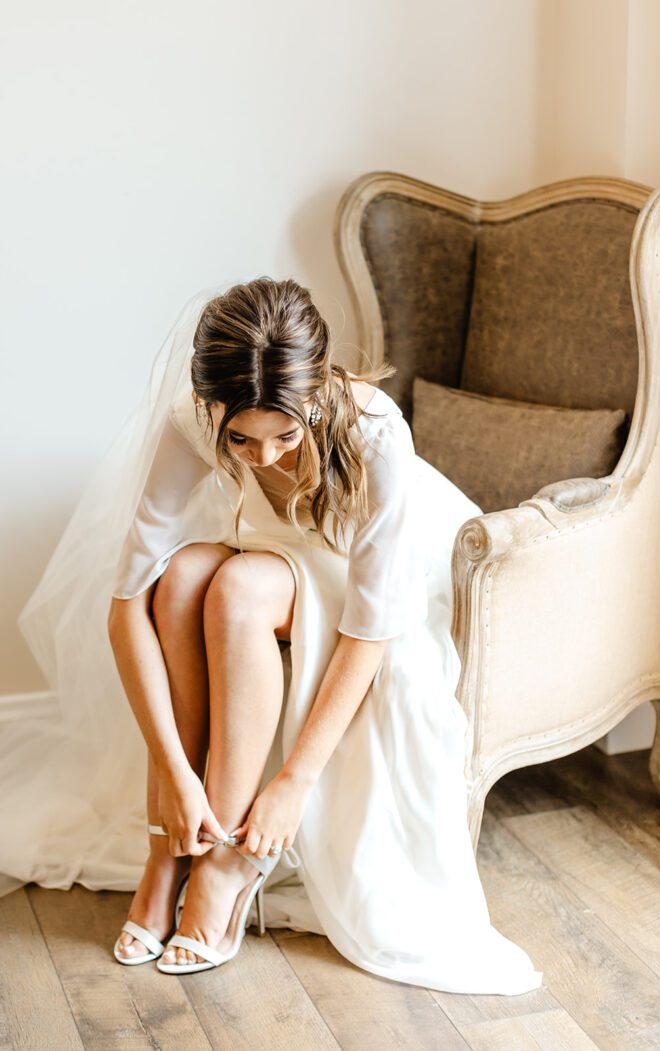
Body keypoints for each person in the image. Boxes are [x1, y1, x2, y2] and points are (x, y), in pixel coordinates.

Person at [8, 276, 543, 994]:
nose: (262, 459)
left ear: (313, 397)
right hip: (274, 556)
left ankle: (227, 866)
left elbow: (371, 627)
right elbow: (125, 607)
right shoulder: (191, 419)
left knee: (235, 589)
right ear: (211, 409)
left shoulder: (375, 433)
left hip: (380, 584)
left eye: (285, 436)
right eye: (240, 439)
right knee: (180, 578)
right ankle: (169, 850)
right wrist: (173, 772)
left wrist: (293, 783)